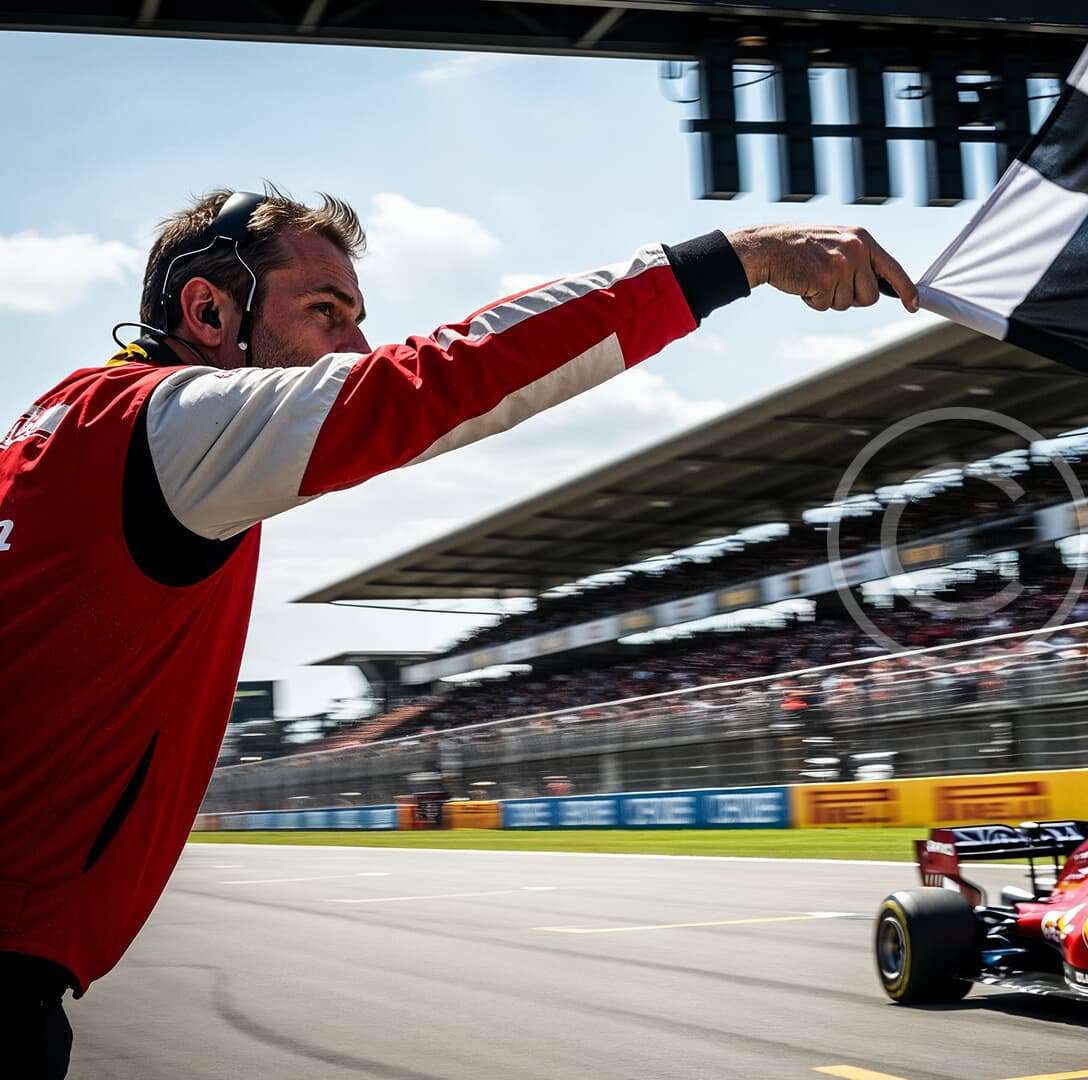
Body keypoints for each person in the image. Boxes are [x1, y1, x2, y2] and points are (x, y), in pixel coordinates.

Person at [0, 186, 919, 1076]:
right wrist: (742, 259)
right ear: (208, 310)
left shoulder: (56, 431)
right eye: (325, 311)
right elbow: (439, 377)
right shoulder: (164, 423)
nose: (355, 347)